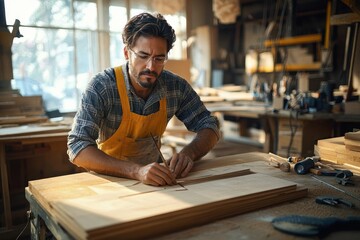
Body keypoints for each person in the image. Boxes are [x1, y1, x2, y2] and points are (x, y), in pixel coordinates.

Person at [67, 12, 220, 186]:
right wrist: (136, 171)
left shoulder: (175, 86)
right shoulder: (102, 87)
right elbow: (77, 146)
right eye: (143, 56)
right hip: (108, 182)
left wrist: (189, 153)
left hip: (155, 179)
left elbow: (210, 125)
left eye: (159, 58)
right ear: (127, 53)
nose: (151, 66)